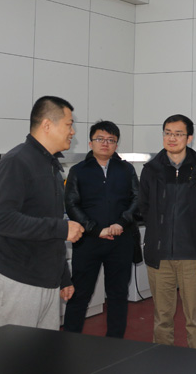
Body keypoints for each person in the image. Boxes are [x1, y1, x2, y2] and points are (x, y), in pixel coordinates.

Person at [0, 96, 85, 329]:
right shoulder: (16, 162)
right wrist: (61, 228)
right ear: (47, 125)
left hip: (46, 283)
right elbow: (1, 219)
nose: (73, 132)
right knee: (17, 353)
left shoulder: (51, 166)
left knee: (42, 352)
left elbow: (48, 223)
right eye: (69, 125)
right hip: (17, 284)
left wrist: (63, 276)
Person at [138, 114, 196, 348]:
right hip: (160, 255)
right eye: (167, 133)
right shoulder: (151, 170)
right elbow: (143, 206)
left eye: (178, 134)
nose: (172, 138)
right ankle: (162, 362)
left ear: (189, 138)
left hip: (192, 256)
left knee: (195, 320)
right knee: (162, 319)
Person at [62, 120, 139, 338]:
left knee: (118, 295)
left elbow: (137, 199)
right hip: (88, 241)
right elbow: (72, 204)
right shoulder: (78, 171)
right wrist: (95, 229)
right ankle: (69, 341)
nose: (105, 143)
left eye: (111, 140)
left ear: (116, 144)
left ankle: (114, 343)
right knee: (80, 295)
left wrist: (121, 223)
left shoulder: (126, 169)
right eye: (100, 139)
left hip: (120, 241)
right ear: (90, 143)